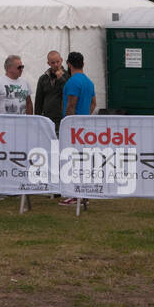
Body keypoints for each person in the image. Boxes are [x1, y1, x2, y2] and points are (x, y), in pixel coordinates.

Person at [59, 52, 97, 206]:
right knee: (82, 160)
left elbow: (71, 104)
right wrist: (85, 116)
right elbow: (94, 102)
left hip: (74, 127)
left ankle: (76, 195)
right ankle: (84, 193)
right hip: (84, 125)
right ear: (83, 63)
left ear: (69, 64)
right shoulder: (89, 81)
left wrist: (67, 123)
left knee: (73, 160)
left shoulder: (72, 82)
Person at [33, 50, 68, 133]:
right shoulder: (43, 78)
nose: (56, 65)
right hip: (47, 119)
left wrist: (61, 79)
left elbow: (68, 94)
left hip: (62, 120)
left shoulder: (68, 76)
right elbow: (38, 100)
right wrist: (37, 119)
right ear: (48, 63)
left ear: (62, 60)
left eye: (57, 62)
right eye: (53, 63)